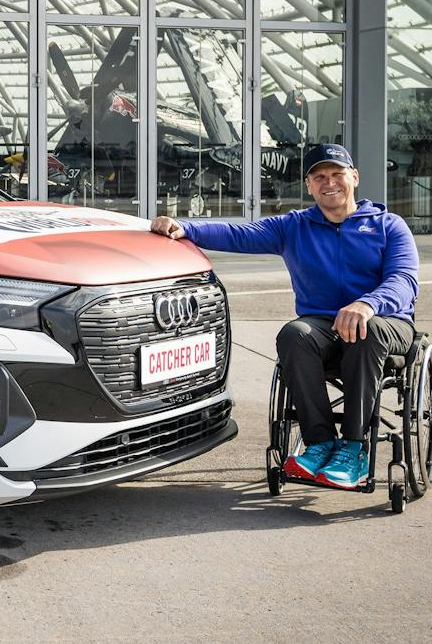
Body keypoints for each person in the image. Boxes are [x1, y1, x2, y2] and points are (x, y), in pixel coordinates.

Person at [149, 142, 418, 491]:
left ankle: (353, 448)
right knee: (295, 334)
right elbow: (238, 233)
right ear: (309, 185)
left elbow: (404, 280)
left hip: (386, 324)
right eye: (319, 176)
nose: (329, 182)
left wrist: (367, 304)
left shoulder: (388, 225)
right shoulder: (295, 226)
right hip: (324, 326)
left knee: (367, 332)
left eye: (337, 174)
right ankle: (320, 443)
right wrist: (184, 228)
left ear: (354, 177)